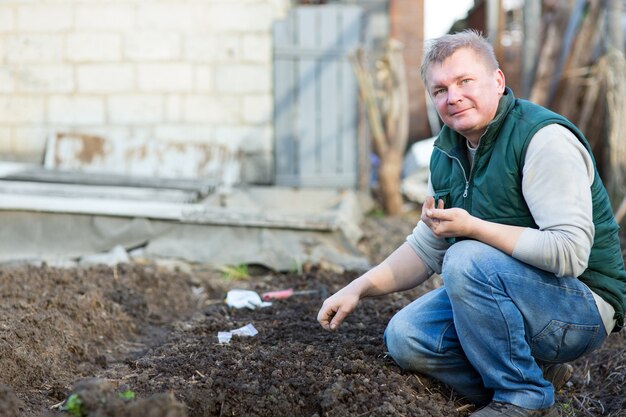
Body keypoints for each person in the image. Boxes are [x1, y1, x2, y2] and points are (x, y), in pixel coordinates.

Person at [317, 30, 626, 417]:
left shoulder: (543, 140)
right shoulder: (447, 151)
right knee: (406, 336)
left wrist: (473, 228)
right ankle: (533, 378)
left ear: (497, 82)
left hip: (580, 306)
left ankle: (521, 397)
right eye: (440, 89)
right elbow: (425, 247)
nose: (453, 96)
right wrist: (357, 288)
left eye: (465, 81)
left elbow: (570, 254)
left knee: (464, 257)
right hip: (513, 293)